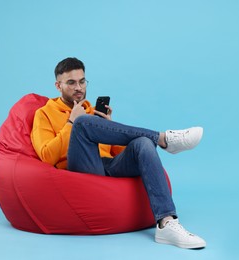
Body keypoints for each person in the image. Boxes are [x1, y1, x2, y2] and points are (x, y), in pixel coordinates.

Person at [31, 57, 206, 249]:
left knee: (142, 143)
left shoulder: (91, 112)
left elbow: (120, 153)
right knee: (82, 124)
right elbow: (47, 156)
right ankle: (164, 139)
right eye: (71, 82)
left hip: (106, 166)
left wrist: (108, 126)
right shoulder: (44, 113)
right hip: (78, 167)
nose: (78, 87)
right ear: (58, 85)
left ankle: (166, 223)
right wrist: (72, 122)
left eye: (82, 81)